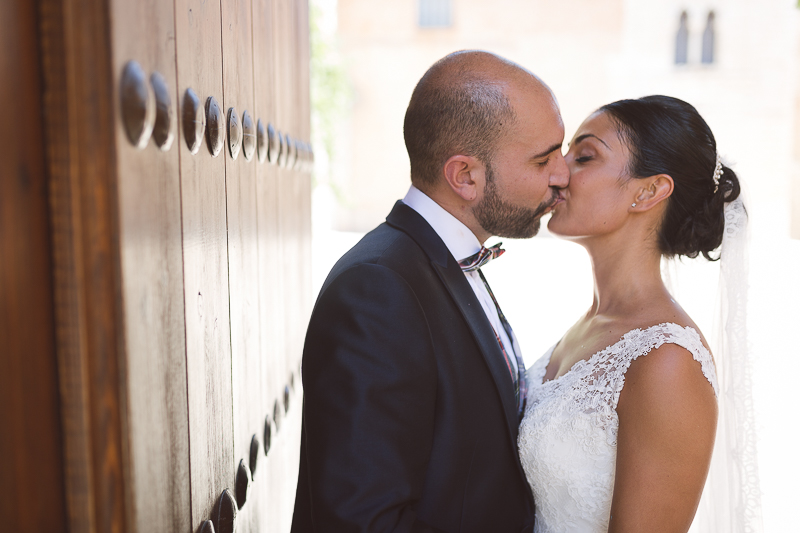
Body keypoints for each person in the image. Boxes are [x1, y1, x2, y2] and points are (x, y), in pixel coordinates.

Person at [292, 50, 569, 531]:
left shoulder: (444, 259)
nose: (562, 174)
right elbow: (364, 519)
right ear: (465, 176)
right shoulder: (378, 290)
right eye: (544, 158)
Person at [518, 95, 760, 532]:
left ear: (648, 191)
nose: (558, 172)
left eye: (584, 156)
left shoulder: (668, 359)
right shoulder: (586, 328)